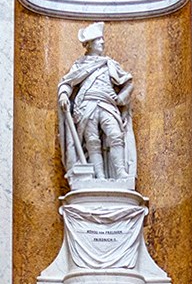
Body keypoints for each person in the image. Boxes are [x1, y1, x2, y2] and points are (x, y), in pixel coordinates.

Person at [57, 22, 135, 180]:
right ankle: (99, 176)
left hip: (107, 104)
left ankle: (121, 172)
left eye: (102, 39)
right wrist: (64, 94)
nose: (102, 42)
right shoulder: (80, 65)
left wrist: (121, 98)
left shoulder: (109, 63)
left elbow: (128, 83)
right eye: (98, 39)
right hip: (86, 106)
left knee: (116, 135)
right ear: (89, 44)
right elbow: (67, 82)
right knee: (92, 142)